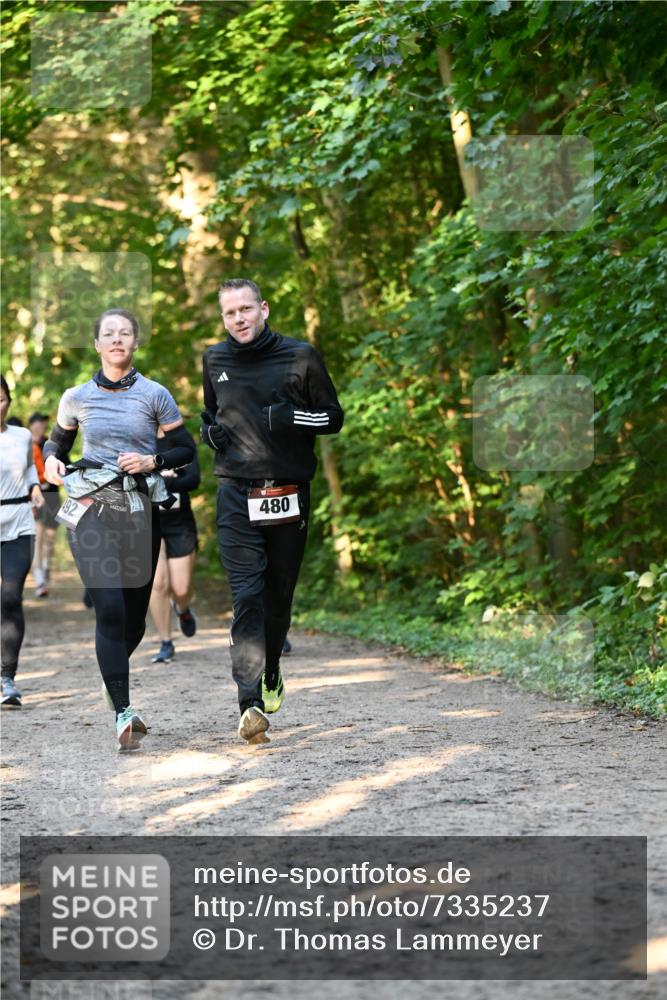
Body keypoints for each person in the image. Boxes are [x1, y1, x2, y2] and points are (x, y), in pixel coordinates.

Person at [43, 308, 194, 750]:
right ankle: (124, 713)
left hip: (140, 510)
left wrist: (152, 460)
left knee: (133, 620)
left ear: (135, 342)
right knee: (109, 607)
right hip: (91, 507)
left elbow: (185, 449)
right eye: (108, 333)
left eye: (125, 333)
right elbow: (57, 443)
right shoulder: (76, 397)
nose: (116, 339)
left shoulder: (155, 394)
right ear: (96, 344)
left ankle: (113, 674)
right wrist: (51, 459)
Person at [201, 278, 344, 743]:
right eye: (229, 313)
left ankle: (272, 667)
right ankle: (249, 703)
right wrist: (210, 435)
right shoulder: (214, 359)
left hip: (287, 490)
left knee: (277, 598)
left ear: (263, 309)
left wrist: (290, 417)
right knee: (246, 596)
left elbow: (333, 417)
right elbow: (211, 414)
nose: (238, 319)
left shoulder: (300, 356)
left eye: (245, 309)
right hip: (235, 492)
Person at [1, 375, 45, 708]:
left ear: (8, 401)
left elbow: (30, 469)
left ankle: (7, 678)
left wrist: (35, 488)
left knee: (11, 597)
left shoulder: (22, 436)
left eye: (0, 399)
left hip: (19, 524)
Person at [149, 425, 200, 663]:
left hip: (179, 521)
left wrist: (162, 484)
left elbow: (193, 479)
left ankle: (183, 609)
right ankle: (165, 642)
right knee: (158, 583)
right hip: (146, 521)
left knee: (181, 588)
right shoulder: (134, 436)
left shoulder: (180, 439)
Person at [29, 411, 61, 597]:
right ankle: (39, 580)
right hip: (35, 496)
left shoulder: (50, 444)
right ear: (32, 424)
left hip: (52, 496)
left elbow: (65, 463)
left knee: (50, 537)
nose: (43, 426)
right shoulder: (25, 444)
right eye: (40, 422)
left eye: (44, 423)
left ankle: (46, 566)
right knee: (38, 537)